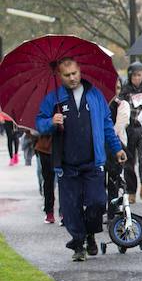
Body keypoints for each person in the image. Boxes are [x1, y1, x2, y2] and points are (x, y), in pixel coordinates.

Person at [35, 58, 127, 261]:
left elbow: (106, 124)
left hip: (93, 162)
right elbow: (39, 123)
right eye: (67, 75)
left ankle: (90, 234)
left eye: (74, 73)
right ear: (60, 76)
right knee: (70, 208)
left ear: (80, 71)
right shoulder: (53, 99)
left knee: (97, 202)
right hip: (66, 165)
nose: (72, 78)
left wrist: (117, 148)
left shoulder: (95, 95)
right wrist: (50, 121)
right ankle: (78, 243)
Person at [119, 60, 142, 203]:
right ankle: (131, 191)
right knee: (129, 162)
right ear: (130, 75)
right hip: (130, 128)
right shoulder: (125, 90)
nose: (137, 78)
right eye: (134, 75)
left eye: (140, 75)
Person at [105, 83, 131, 219]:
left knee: (114, 181)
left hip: (117, 145)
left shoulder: (122, 105)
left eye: (119, 87)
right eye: (113, 87)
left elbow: (120, 125)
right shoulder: (101, 103)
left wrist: (107, 136)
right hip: (101, 148)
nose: (116, 90)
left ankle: (113, 214)